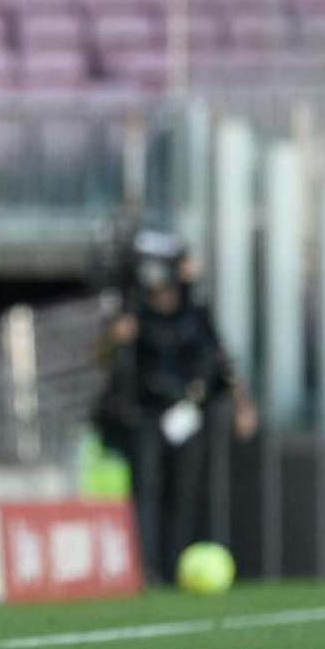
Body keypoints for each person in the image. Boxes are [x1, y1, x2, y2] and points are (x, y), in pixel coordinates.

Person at [99, 237, 258, 584]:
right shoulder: (134, 315)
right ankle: (147, 568)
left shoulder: (195, 314)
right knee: (145, 490)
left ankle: (174, 566)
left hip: (187, 412)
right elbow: (102, 360)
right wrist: (115, 340)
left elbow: (222, 362)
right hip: (146, 413)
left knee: (183, 492)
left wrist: (242, 406)